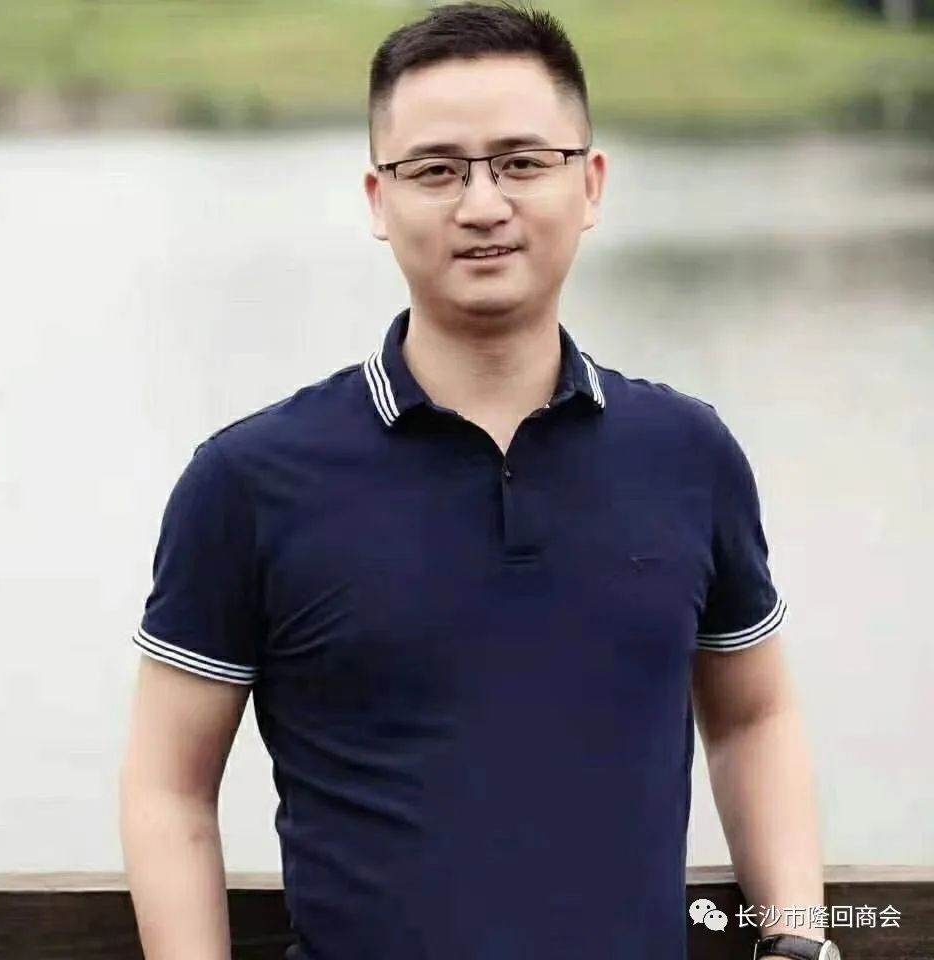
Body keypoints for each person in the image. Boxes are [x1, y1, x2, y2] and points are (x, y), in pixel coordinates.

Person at [119, 4, 841, 959]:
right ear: (379, 199)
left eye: (522, 162)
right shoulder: (247, 482)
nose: (483, 204)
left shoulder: (687, 454)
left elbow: (753, 718)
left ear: (589, 183)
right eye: (436, 170)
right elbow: (168, 784)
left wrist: (798, 936)